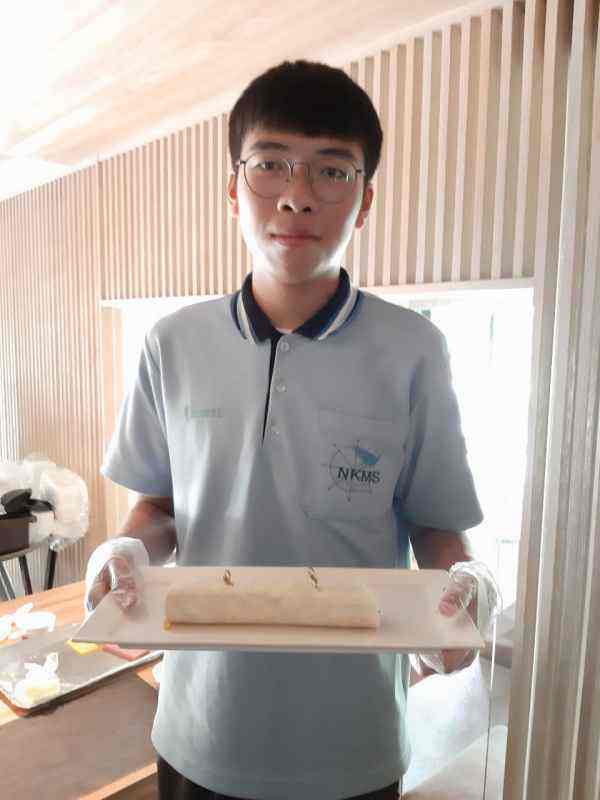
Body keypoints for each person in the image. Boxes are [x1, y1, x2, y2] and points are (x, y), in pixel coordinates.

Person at [85, 60, 500, 800]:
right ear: (233, 188)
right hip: (199, 728)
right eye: (270, 163)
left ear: (364, 201)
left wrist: (464, 591)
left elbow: (437, 526)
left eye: (331, 170)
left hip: (353, 741)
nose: (297, 195)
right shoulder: (172, 343)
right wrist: (125, 554)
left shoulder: (412, 349)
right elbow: (160, 508)